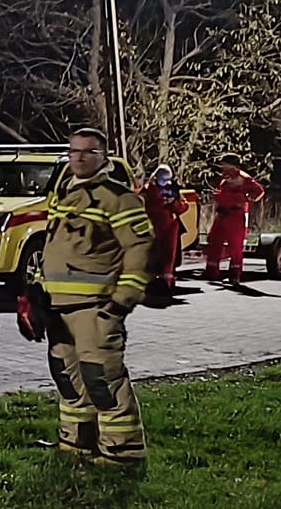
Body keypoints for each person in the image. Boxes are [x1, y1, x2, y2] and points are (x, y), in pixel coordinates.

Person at [38, 127, 153, 464]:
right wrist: (36, 291)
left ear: (104, 156)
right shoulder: (63, 194)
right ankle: (76, 444)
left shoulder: (117, 198)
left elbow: (139, 250)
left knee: (101, 378)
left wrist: (122, 300)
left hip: (97, 308)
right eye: (73, 151)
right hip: (59, 307)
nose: (79, 157)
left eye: (88, 151)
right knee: (68, 378)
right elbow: (54, 247)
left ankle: (122, 451)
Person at [203, 154, 265, 286]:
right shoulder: (225, 178)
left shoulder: (243, 178)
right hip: (222, 214)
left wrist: (248, 199)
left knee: (235, 247)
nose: (222, 167)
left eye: (224, 164)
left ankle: (234, 275)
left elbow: (259, 191)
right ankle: (212, 271)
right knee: (214, 241)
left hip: (235, 215)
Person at [139, 163, 189, 291]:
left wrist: (173, 202)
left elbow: (183, 207)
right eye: (163, 179)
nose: (165, 182)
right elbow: (140, 205)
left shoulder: (173, 189)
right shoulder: (148, 189)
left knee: (169, 254)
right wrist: (161, 203)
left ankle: (167, 280)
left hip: (170, 225)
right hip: (153, 224)